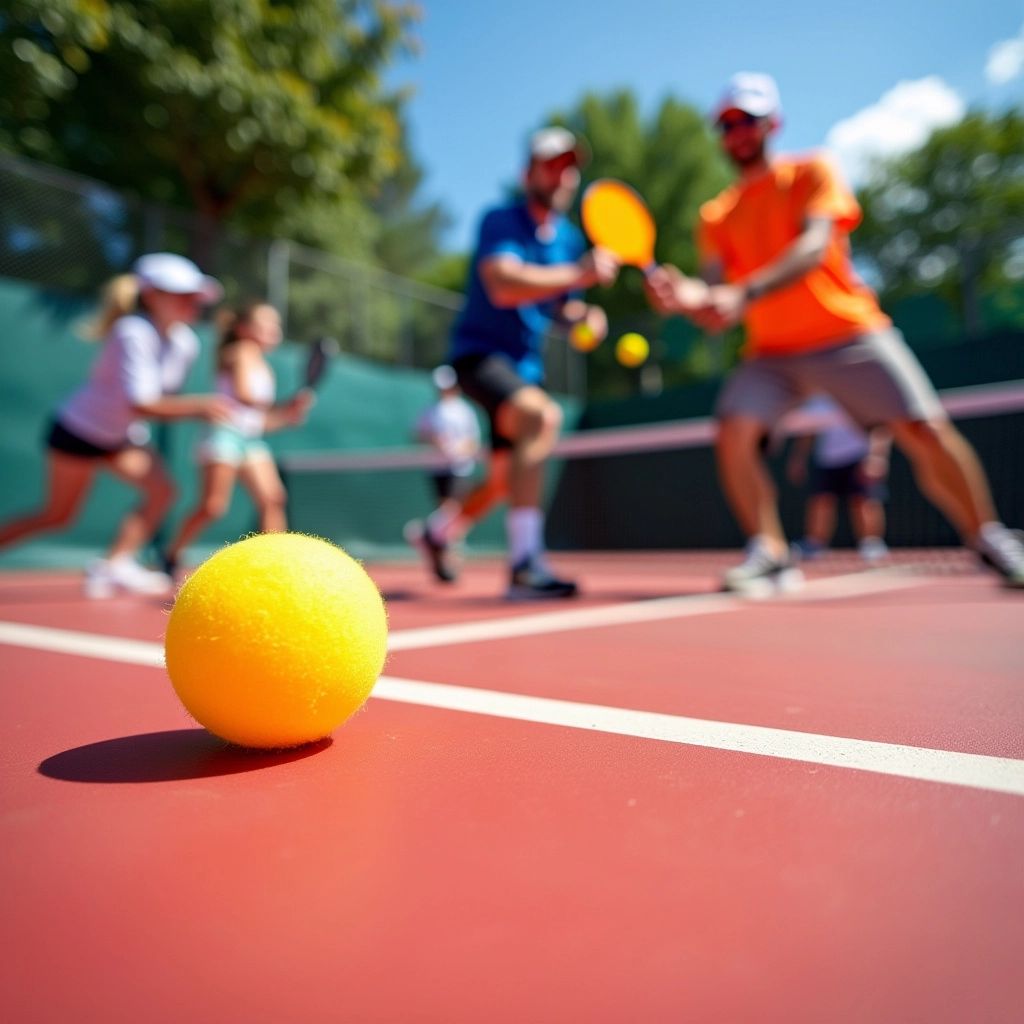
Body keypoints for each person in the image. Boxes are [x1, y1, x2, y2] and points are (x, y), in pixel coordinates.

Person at [645, 72, 1024, 591]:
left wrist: (741, 294)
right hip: (773, 353)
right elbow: (712, 291)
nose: (736, 132)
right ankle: (770, 552)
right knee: (733, 426)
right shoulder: (716, 215)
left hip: (849, 333)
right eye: (726, 124)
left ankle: (988, 536)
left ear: (772, 124)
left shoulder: (812, 171)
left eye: (746, 121)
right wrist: (682, 295)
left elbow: (812, 248)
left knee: (926, 430)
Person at [410, 127, 620, 598]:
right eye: (553, 164)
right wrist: (580, 274)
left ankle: (438, 533)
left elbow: (561, 309)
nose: (563, 175)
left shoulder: (566, 240)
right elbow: (505, 284)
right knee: (541, 416)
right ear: (529, 172)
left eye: (570, 167)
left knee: (507, 479)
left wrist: (585, 316)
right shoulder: (500, 220)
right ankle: (526, 564)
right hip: (479, 356)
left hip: (525, 368)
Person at [0, 253, 231, 597]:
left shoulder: (186, 343)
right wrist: (201, 407)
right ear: (151, 295)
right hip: (78, 431)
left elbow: (157, 400)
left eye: (194, 296)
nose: (192, 303)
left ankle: (114, 565)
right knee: (56, 516)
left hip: (120, 436)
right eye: (181, 294)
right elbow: (142, 402)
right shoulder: (131, 331)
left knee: (162, 491)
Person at [160, 301, 313, 577]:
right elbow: (244, 396)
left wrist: (287, 417)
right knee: (213, 507)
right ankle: (171, 554)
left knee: (273, 498)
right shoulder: (240, 352)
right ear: (243, 329)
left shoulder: (266, 368)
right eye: (264, 324)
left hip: (249, 440)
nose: (272, 330)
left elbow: (259, 421)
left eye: (275, 325)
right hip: (222, 436)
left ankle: (274, 565)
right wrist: (285, 405)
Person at [786, 394, 891, 563]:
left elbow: (879, 427)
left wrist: (876, 456)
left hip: (859, 456)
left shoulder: (860, 394)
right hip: (827, 459)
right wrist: (798, 458)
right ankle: (814, 544)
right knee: (821, 501)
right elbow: (808, 432)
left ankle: (871, 544)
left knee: (864, 501)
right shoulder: (816, 399)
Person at [404, 365, 482, 581]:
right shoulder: (431, 410)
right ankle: (444, 561)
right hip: (437, 469)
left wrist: (458, 450)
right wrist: (433, 440)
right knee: (448, 514)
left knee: (453, 513)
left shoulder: (464, 410)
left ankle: (426, 534)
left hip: (460, 468)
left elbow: (473, 441)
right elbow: (417, 434)